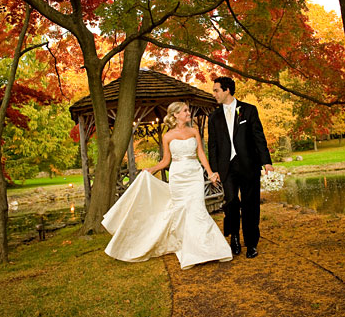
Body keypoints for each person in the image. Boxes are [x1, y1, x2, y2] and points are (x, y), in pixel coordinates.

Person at [102, 102, 232, 270]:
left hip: (194, 175)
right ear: (176, 114)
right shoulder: (167, 136)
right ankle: (190, 252)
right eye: (185, 110)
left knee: (198, 210)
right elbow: (166, 161)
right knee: (182, 213)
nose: (188, 113)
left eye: (188, 110)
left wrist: (210, 172)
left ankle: (213, 250)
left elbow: (201, 153)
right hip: (178, 177)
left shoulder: (194, 132)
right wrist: (152, 169)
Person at [208, 76, 273, 259]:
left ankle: (251, 243)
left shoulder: (249, 110)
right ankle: (234, 238)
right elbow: (212, 146)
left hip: (248, 165)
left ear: (227, 90)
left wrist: (266, 161)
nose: (214, 94)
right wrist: (214, 170)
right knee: (231, 204)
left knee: (250, 205)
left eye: (216, 90)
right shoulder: (213, 117)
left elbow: (259, 137)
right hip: (226, 168)